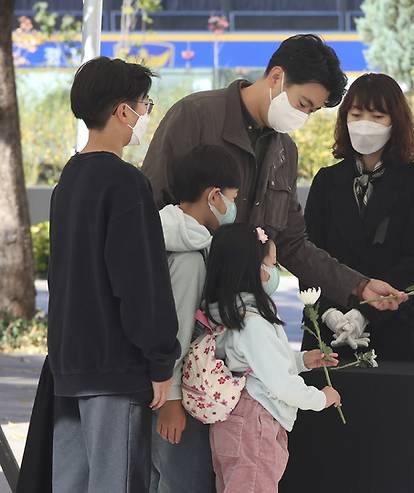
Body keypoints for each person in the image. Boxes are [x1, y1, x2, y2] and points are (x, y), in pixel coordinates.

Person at [141, 34, 406, 313]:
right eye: (303, 103)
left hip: (240, 311)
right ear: (277, 76)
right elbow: (149, 208)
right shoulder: (195, 116)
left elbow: (292, 242)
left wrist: (359, 285)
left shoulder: (285, 152)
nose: (303, 116)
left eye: (312, 111)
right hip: (180, 299)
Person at [48, 56, 180, 493]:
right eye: (145, 104)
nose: (146, 114)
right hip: (114, 366)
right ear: (124, 110)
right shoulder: (125, 182)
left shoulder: (70, 178)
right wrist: (161, 359)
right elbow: (140, 280)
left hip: (69, 367)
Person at [300, 73, 414, 361]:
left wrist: (364, 313)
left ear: (395, 122)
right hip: (327, 329)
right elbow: (307, 253)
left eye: (377, 116)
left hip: (391, 327)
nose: (365, 124)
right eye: (357, 114)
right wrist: (329, 314)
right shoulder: (326, 180)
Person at [203, 223, 341, 493]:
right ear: (253, 270)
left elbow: (257, 361)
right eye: (273, 265)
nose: (275, 273)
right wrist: (322, 398)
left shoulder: (230, 312)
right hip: (255, 421)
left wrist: (301, 360)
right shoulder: (252, 322)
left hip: (234, 422)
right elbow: (280, 384)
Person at [151, 145, 241, 493]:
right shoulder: (188, 256)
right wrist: (173, 400)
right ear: (214, 195)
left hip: (173, 390)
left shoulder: (185, 236)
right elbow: (175, 331)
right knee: (179, 480)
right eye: (232, 198)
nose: (233, 207)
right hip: (175, 396)